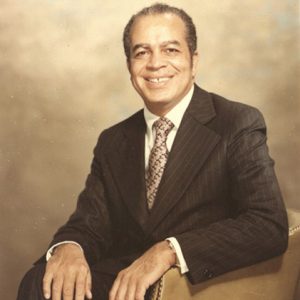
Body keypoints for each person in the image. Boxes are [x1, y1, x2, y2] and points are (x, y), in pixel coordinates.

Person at [17, 3, 288, 300]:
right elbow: (90, 225)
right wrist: (70, 247)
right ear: (129, 67)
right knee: (41, 282)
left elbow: (267, 224)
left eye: (170, 50)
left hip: (198, 285)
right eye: (142, 52)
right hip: (126, 285)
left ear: (194, 61)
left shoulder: (237, 123)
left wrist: (169, 250)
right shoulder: (114, 140)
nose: (155, 63)